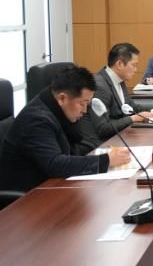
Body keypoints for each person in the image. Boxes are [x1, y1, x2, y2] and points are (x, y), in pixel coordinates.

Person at [0, 66, 130, 192]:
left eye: (87, 104)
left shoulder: (57, 107)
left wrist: (104, 154)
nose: (85, 110)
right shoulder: (36, 120)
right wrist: (106, 160)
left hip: (51, 185)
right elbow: (55, 164)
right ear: (62, 98)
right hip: (27, 197)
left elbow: (73, 148)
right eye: (82, 103)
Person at [90, 43, 153, 142]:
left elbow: (133, 107)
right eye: (134, 65)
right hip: (104, 144)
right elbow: (103, 128)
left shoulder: (119, 79)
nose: (136, 70)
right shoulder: (100, 86)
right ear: (120, 64)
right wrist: (134, 118)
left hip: (121, 137)